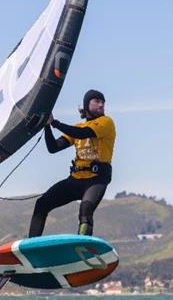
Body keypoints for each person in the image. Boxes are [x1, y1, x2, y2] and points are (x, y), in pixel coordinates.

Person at [28, 89, 116, 237]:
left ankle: (83, 245)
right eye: (97, 101)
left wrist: (55, 123)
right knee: (42, 203)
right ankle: (31, 246)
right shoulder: (78, 127)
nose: (101, 105)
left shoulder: (106, 122)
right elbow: (53, 148)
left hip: (96, 180)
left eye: (103, 102)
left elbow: (82, 134)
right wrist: (47, 126)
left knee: (86, 209)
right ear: (87, 105)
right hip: (75, 180)